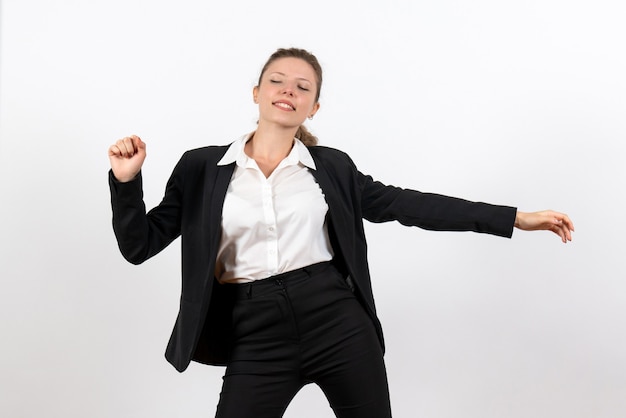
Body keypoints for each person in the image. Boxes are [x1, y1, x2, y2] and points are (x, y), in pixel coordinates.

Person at [108, 48, 574, 418]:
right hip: (253, 332)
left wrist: (514, 217)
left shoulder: (331, 167)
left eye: (302, 87)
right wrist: (126, 182)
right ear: (255, 93)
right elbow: (139, 245)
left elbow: (405, 204)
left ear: (314, 106)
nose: (287, 90)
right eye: (277, 81)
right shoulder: (201, 167)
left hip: (337, 321)